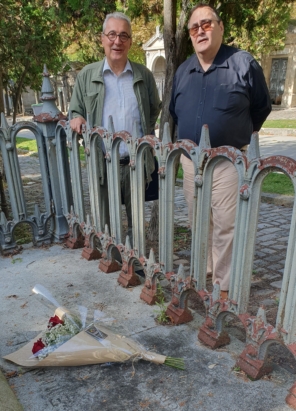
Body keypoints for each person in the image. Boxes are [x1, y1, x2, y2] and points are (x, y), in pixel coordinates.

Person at [169, 3, 271, 298]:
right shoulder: (183, 71)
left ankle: (223, 289)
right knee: (198, 221)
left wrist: (237, 134)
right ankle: (206, 273)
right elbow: (176, 112)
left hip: (228, 160)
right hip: (191, 162)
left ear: (220, 27)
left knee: (226, 223)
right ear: (189, 35)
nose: (200, 30)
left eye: (206, 24)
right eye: (194, 27)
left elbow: (261, 107)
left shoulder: (243, 63)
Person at [69, 12, 161, 240]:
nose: (117, 41)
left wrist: (143, 142)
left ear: (130, 41)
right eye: (112, 34)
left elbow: (153, 109)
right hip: (102, 163)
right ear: (102, 39)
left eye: (123, 35)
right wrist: (77, 117)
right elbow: (75, 108)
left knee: (137, 222)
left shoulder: (144, 75)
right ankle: (110, 261)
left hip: (135, 162)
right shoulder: (87, 75)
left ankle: (137, 264)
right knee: (106, 221)